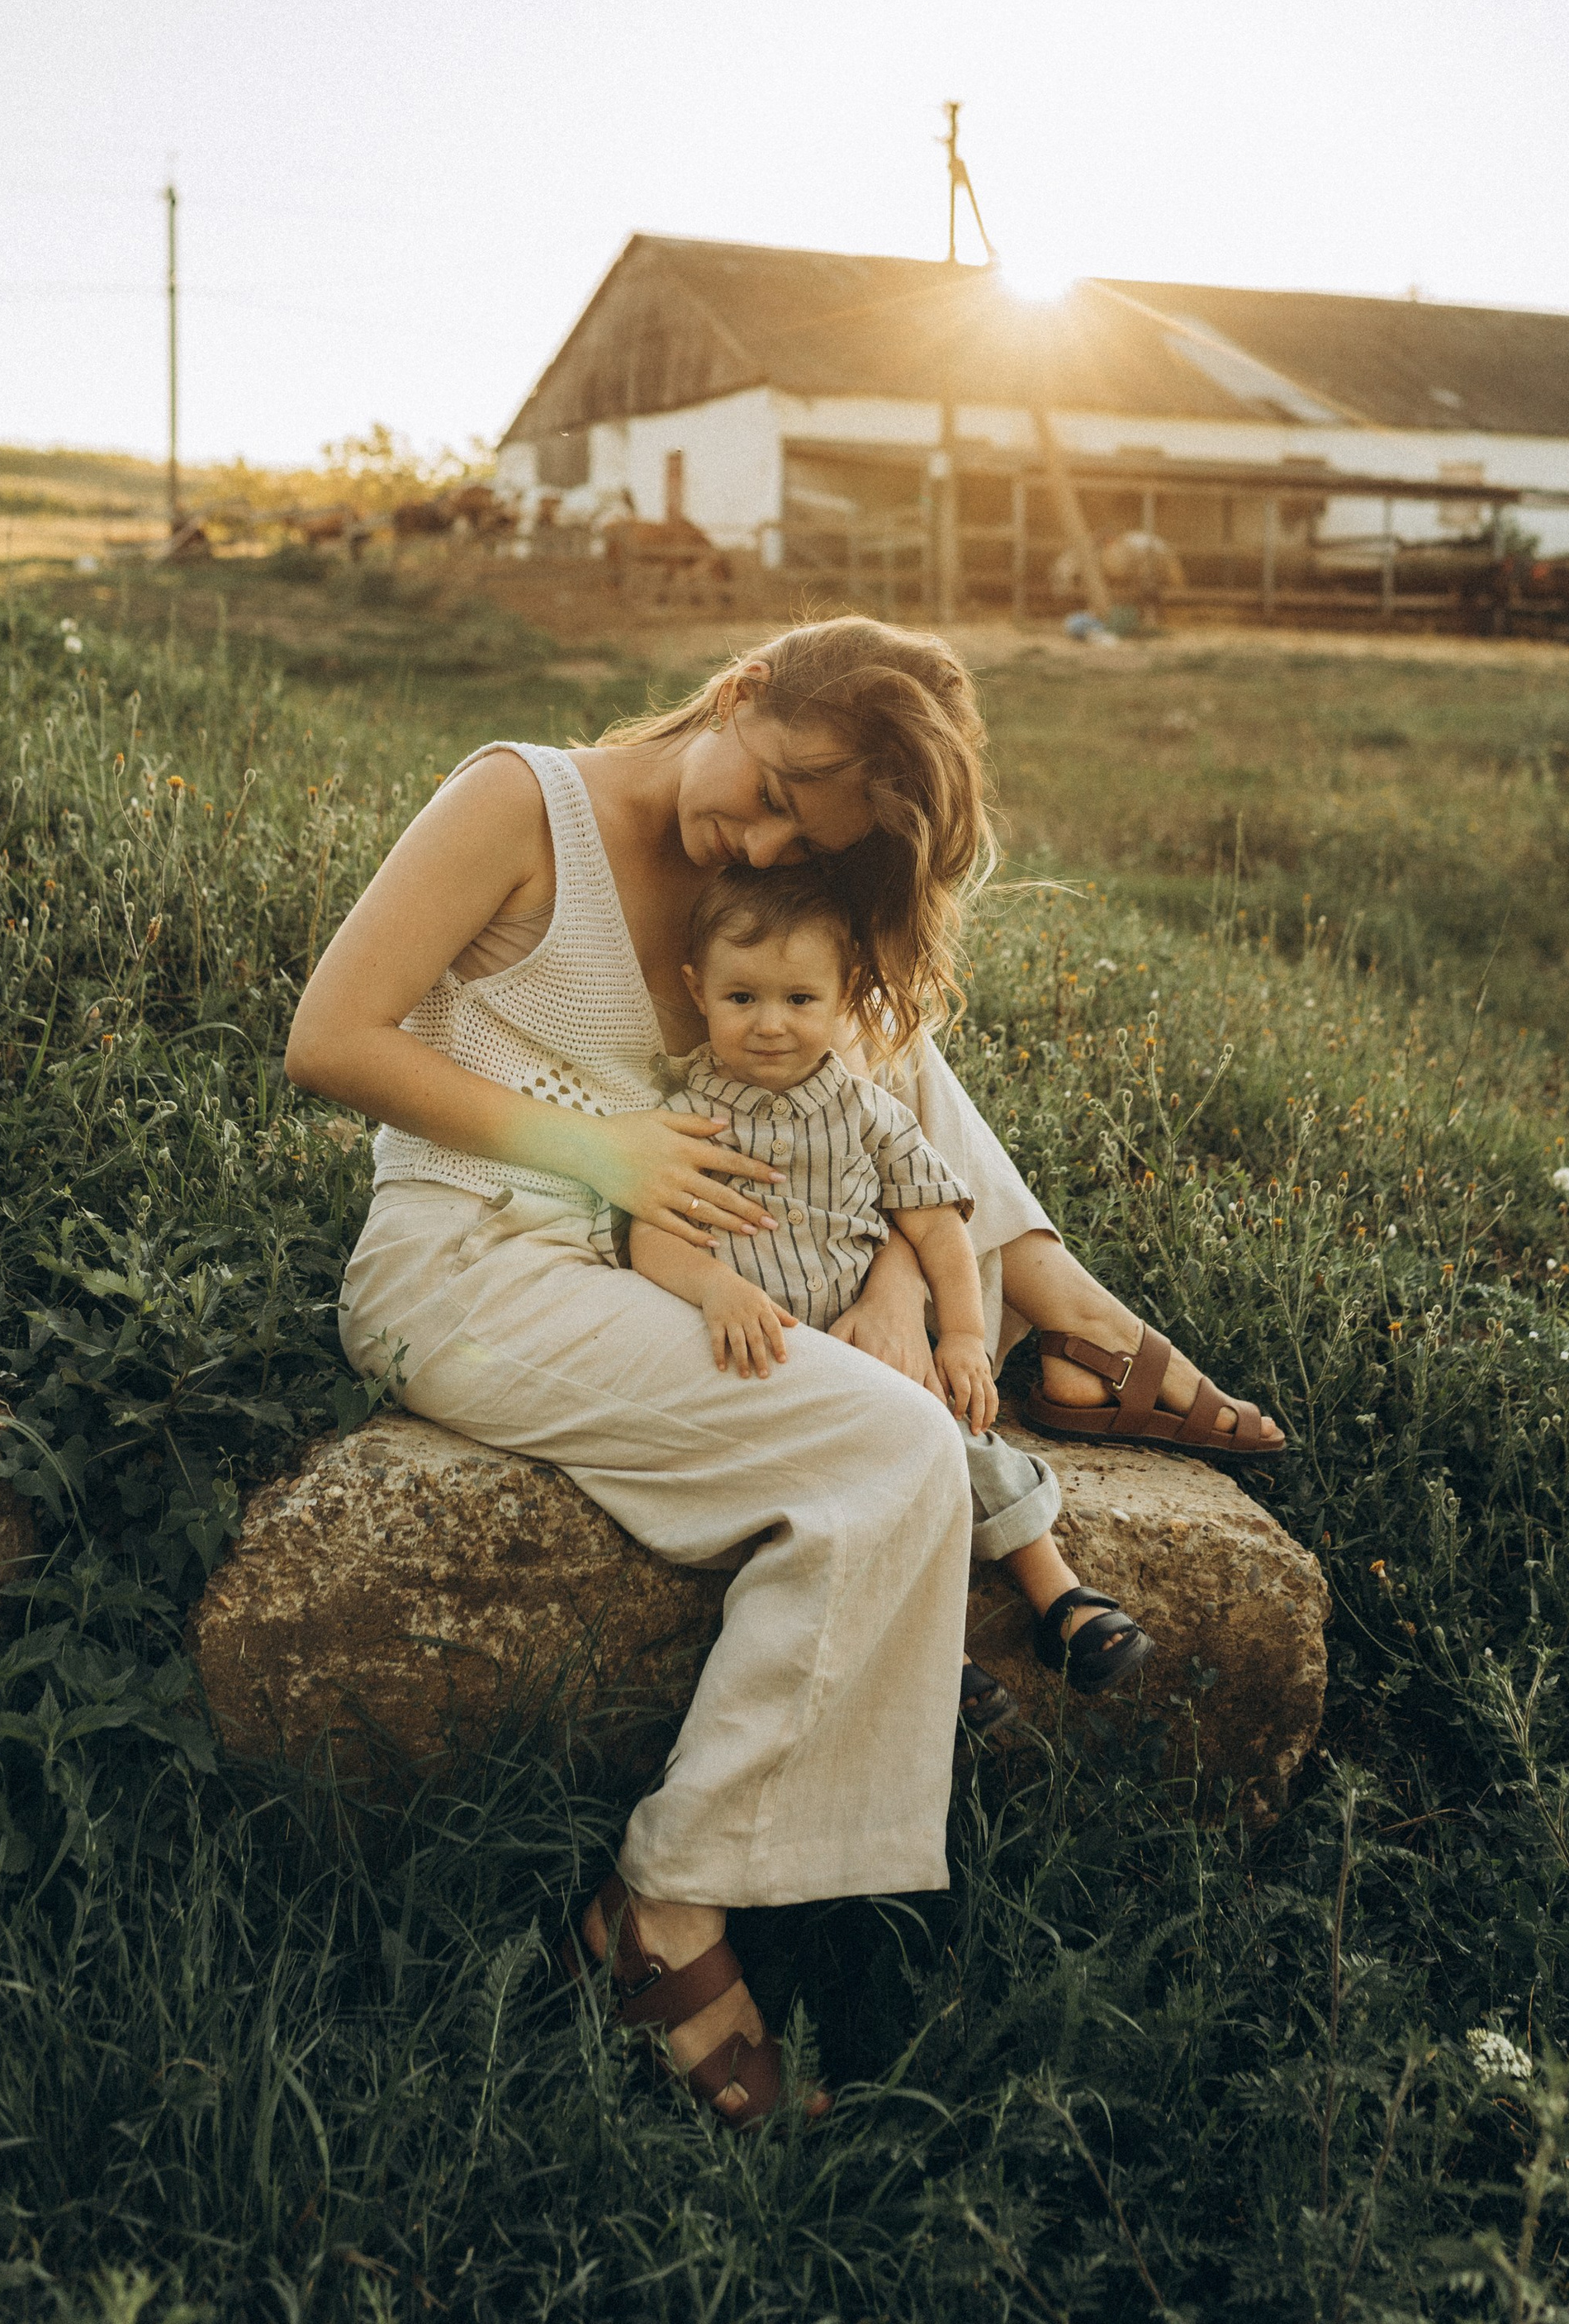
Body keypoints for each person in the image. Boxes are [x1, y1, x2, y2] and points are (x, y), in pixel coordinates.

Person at [285, 616, 1281, 2132]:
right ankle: (664, 1906)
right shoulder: (519, 801)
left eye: (796, 829)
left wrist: (898, 1283)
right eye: (765, 789)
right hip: (477, 1265)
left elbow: (869, 1091)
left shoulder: (778, 888)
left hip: (698, 1276)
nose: (746, 836)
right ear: (742, 688)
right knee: (892, 1452)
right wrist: (599, 1146)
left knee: (893, 1378)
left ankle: (1033, 1307)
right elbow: (327, 1037)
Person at [630, 859, 1161, 1720]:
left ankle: (1059, 1597)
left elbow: (937, 1224)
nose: (770, 1024)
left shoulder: (869, 1111)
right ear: (697, 991)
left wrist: (958, 1334)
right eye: (742, 998)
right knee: (852, 1484)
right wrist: (715, 1288)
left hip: (868, 1350)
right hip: (759, 1356)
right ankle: (937, 1653)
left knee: (956, 1442)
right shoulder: (686, 1110)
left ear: (846, 999)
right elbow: (652, 1234)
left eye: (799, 1000)